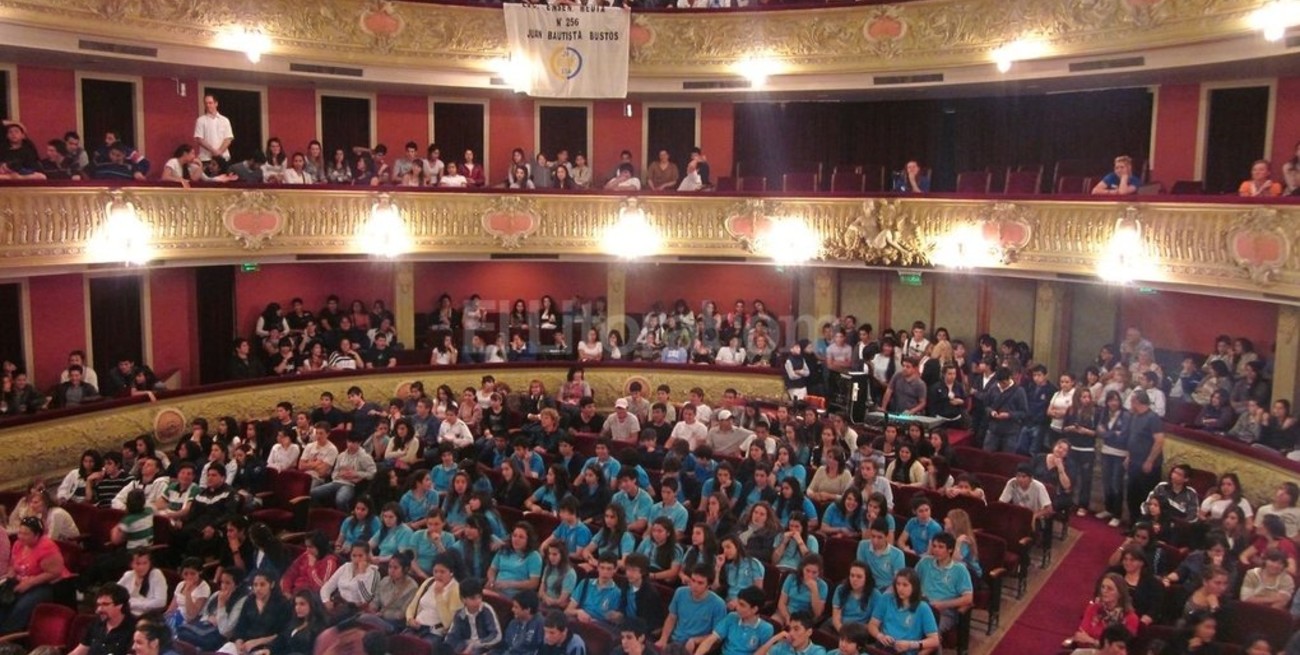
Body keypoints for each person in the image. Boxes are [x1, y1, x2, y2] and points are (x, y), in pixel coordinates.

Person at [0, 516, 72, 634]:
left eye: (26, 534)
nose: (21, 537)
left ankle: (7, 634)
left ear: (37, 535)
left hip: (46, 584)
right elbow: (13, 565)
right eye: (20, 533)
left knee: (21, 607)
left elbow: (54, 573)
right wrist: (11, 574)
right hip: (21, 579)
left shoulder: (47, 547)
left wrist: (29, 583)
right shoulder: (18, 544)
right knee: (3, 600)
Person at [866, 569, 939, 655]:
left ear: (914, 587)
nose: (900, 588)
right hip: (883, 648)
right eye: (898, 584)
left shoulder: (923, 607)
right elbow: (872, 625)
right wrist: (880, 636)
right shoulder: (886, 598)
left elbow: (934, 640)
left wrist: (910, 645)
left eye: (905, 585)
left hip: (906, 651)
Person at [659, 563, 728, 651]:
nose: (694, 585)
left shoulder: (718, 604)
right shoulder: (680, 592)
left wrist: (695, 640)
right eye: (693, 580)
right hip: (675, 642)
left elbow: (717, 637)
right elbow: (672, 617)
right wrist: (663, 638)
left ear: (709, 585)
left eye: (700, 583)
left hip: (697, 647)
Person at [1065, 573, 1138, 650]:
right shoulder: (1093, 608)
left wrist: (1092, 641)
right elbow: (1081, 636)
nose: (1104, 591)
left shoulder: (1130, 618)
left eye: (1109, 588)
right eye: (1103, 587)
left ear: (1120, 593)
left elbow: (1122, 649)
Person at [68, 584, 134, 655]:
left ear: (120, 605)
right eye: (98, 605)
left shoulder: (134, 629)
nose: (99, 610)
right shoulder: (95, 624)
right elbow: (79, 651)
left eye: (105, 604)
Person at [445, 578, 503, 655]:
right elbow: (452, 635)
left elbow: (496, 636)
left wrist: (475, 644)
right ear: (463, 599)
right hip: (464, 646)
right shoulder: (460, 614)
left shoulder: (486, 610)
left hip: (484, 647)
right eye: (473, 598)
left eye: (479, 597)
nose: (478, 601)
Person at [752, 611, 822, 655]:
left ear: (809, 632)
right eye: (790, 629)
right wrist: (774, 639)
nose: (791, 633)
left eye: (796, 629)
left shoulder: (817, 652)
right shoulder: (783, 645)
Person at [501, 590, 545, 655]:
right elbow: (505, 645)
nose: (512, 609)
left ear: (527, 610)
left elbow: (539, 648)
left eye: (516, 607)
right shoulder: (513, 623)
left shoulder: (540, 624)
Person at [194, 94, 234, 164]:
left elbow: (228, 139)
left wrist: (219, 152)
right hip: (206, 158)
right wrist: (213, 151)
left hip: (223, 157)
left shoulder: (225, 120)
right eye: (206, 103)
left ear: (216, 104)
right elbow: (199, 139)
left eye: (210, 103)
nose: (208, 105)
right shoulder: (200, 120)